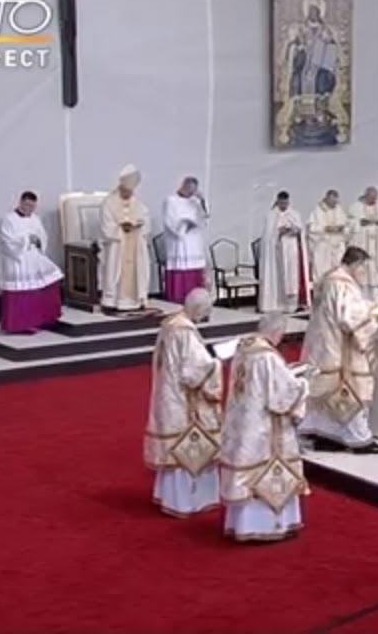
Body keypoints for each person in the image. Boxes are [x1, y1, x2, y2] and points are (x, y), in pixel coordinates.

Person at [220, 312, 309, 542]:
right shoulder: (267, 356)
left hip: (242, 422)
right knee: (265, 471)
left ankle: (242, 525)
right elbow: (280, 396)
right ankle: (269, 526)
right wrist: (302, 384)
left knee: (245, 471)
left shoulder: (244, 345)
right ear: (276, 331)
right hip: (263, 428)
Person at [299, 247, 378, 454]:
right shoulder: (343, 285)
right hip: (339, 347)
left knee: (323, 392)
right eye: (363, 268)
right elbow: (350, 317)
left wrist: (367, 305)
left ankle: (325, 434)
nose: (363, 273)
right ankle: (359, 437)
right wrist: (373, 315)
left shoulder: (329, 278)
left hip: (321, 344)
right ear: (356, 264)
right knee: (352, 388)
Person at [144, 288, 222, 517]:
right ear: (199, 309)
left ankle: (169, 496)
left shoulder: (170, 324)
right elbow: (194, 371)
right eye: (207, 311)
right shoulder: (185, 332)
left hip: (167, 396)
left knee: (174, 451)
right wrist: (216, 363)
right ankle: (187, 501)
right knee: (188, 449)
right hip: (184, 403)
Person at [0, 190, 63, 333]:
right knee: (22, 292)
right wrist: (27, 240)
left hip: (33, 258)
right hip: (17, 261)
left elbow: (42, 237)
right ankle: (19, 325)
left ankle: (45, 318)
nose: (29, 209)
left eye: (32, 207)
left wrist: (38, 241)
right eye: (26, 205)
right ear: (20, 202)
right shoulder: (8, 219)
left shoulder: (35, 219)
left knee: (53, 278)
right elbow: (7, 241)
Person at [99, 165, 151, 312]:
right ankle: (113, 301)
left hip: (135, 245)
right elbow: (106, 227)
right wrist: (121, 228)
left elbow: (146, 223)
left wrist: (138, 227)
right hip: (117, 246)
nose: (128, 193)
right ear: (120, 187)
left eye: (131, 191)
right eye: (126, 191)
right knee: (115, 271)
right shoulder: (108, 203)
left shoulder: (139, 204)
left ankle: (135, 300)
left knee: (137, 271)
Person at [161, 176, 209, 304]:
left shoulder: (195, 202)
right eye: (189, 190)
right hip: (180, 242)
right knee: (181, 269)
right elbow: (169, 221)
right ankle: (178, 298)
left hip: (194, 241)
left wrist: (202, 201)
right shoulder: (171, 200)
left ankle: (196, 301)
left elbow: (204, 218)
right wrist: (183, 226)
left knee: (195, 269)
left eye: (193, 191)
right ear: (184, 186)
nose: (191, 194)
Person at [258, 191, 307, 314]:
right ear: (278, 201)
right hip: (277, 252)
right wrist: (279, 232)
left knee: (291, 277)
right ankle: (275, 304)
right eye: (282, 202)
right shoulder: (271, 215)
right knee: (278, 278)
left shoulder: (294, 214)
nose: (284, 205)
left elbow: (301, 230)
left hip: (291, 249)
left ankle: (290, 305)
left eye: (286, 202)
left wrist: (294, 230)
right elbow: (268, 236)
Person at [348, 187, 378, 295]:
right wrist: (360, 223)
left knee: (374, 274)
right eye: (371, 198)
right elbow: (350, 224)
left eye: (375, 198)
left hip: (376, 245)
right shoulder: (355, 208)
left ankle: (375, 296)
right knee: (362, 271)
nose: (373, 200)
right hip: (363, 243)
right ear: (366, 196)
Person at [307, 189, 349, 283]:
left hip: (337, 247)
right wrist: (326, 229)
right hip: (323, 247)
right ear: (326, 199)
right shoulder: (317, 211)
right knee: (322, 272)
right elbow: (312, 229)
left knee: (338, 272)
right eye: (331, 201)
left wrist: (341, 229)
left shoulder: (339, 210)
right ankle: (321, 295)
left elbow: (347, 227)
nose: (334, 204)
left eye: (335, 201)